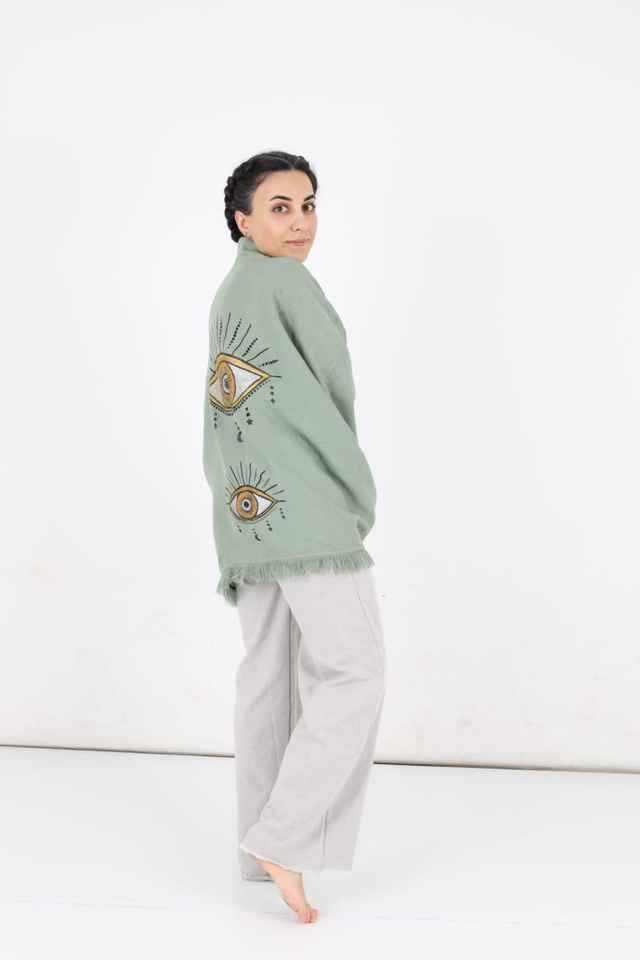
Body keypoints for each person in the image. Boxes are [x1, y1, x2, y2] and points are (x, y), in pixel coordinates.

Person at [202, 150, 387, 923]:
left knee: (268, 677)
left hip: (248, 514)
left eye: (308, 205)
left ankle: (258, 849)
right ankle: (283, 836)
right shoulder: (285, 284)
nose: (300, 222)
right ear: (242, 219)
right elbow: (325, 397)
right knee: (353, 671)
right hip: (305, 509)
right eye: (279, 207)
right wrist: (354, 493)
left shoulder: (234, 291)